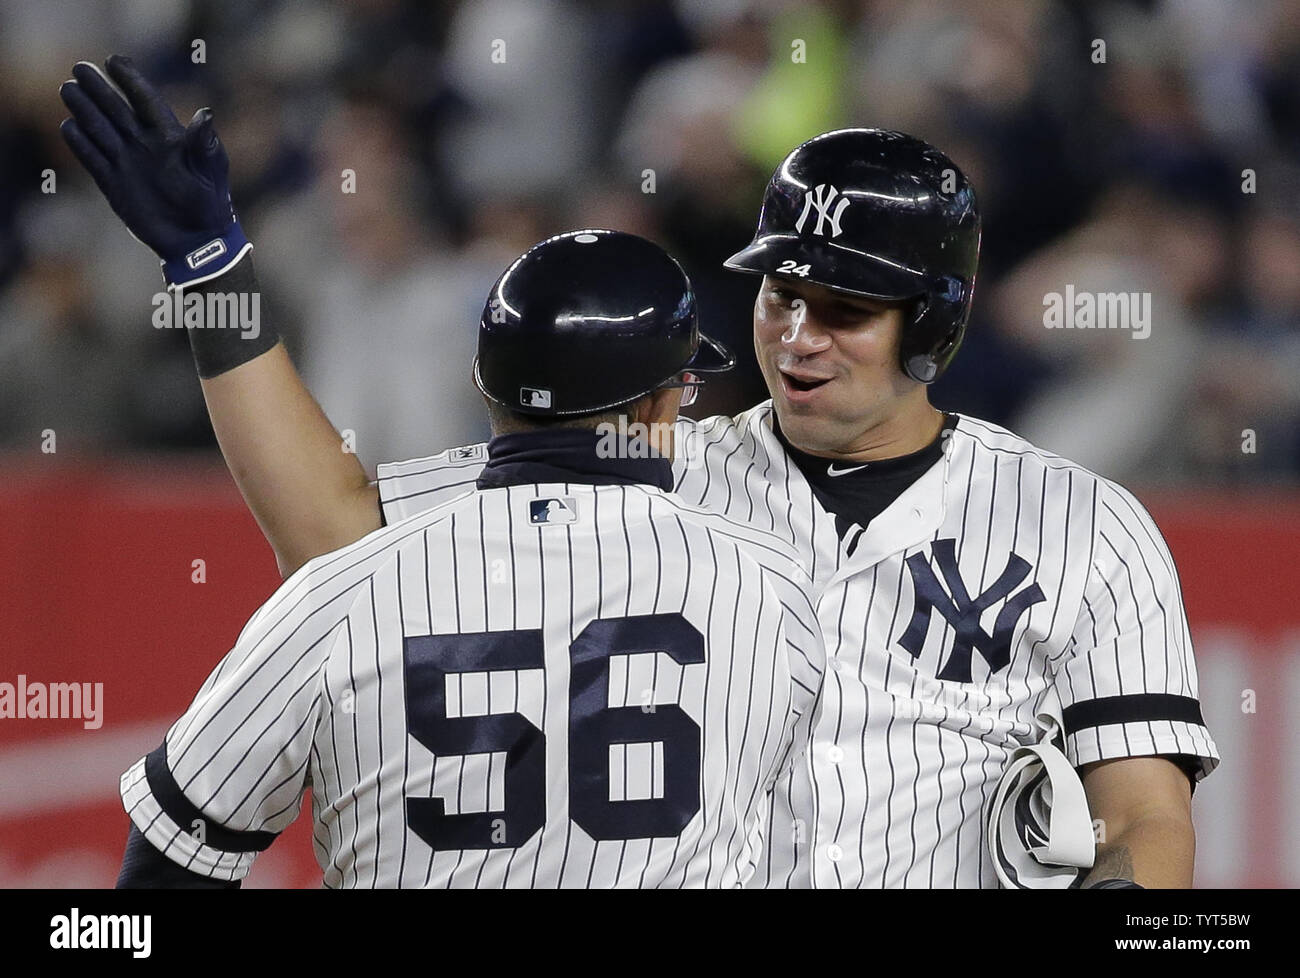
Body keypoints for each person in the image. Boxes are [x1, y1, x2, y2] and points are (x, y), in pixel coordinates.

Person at [63, 55, 1217, 888]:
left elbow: (1147, 820)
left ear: (936, 326)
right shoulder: (646, 464)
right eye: (781, 293)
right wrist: (212, 267)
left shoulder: (1082, 524)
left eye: (846, 308)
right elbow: (338, 532)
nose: (797, 334)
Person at [114, 228, 825, 888]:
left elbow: (169, 858)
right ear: (658, 410)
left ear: (486, 389)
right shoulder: (770, 587)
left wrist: (210, 271)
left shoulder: (338, 593)